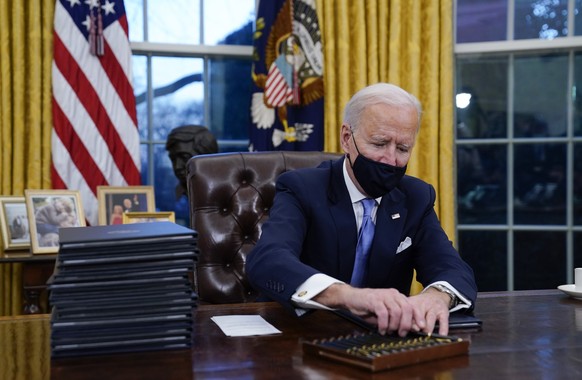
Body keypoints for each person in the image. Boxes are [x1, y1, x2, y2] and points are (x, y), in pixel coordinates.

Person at [246, 83, 477, 338]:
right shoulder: (302, 188)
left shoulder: (415, 197)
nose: (390, 159)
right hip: (302, 338)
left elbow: (452, 267)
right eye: (379, 143)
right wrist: (347, 296)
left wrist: (437, 296)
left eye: (402, 149)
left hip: (383, 344)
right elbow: (268, 260)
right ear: (347, 138)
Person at [166, 125, 218, 225]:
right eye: (173, 159)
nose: (177, 166)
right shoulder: (171, 198)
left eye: (184, 158)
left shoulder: (227, 194)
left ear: (207, 159)